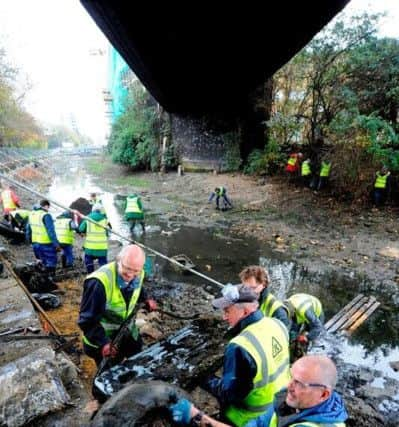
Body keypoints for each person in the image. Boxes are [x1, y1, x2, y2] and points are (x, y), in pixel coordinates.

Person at [169, 355, 348, 427]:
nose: (289, 386)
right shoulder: (290, 401)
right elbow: (260, 421)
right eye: (291, 377)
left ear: (324, 394)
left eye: (300, 383)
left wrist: (197, 417)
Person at [204, 284, 290, 426]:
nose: (224, 317)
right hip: (278, 410)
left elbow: (229, 394)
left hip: (246, 419)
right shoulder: (276, 324)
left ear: (244, 312)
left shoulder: (240, 346)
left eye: (227, 311)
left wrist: (206, 379)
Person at [77, 244, 158, 366]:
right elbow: (86, 321)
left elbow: (138, 288)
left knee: (137, 353)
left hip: (125, 329)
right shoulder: (99, 283)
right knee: (109, 372)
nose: (130, 275)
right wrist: (103, 342)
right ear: (118, 261)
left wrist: (145, 300)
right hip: (101, 338)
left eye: (136, 271)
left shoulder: (139, 273)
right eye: (127, 269)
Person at [284, 294, 324, 361]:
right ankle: (292, 354)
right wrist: (292, 340)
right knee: (293, 333)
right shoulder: (287, 303)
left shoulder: (306, 312)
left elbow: (318, 327)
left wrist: (307, 337)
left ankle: (303, 357)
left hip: (316, 313)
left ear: (293, 312)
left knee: (306, 338)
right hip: (301, 311)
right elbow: (293, 328)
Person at [26, 200, 61, 276]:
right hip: (46, 244)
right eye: (48, 207)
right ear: (46, 206)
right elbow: (51, 232)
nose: (48, 209)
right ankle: (50, 279)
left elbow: (28, 230)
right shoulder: (45, 215)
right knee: (51, 262)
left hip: (36, 243)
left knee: (43, 261)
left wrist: (29, 241)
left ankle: (43, 278)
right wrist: (56, 244)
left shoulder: (31, 214)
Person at [79, 203, 109, 273]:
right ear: (100, 211)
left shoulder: (87, 218)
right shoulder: (105, 220)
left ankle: (91, 274)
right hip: (102, 248)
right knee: (103, 264)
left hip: (90, 248)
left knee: (88, 262)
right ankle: (103, 276)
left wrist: (86, 231)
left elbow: (80, 229)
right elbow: (107, 233)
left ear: (93, 210)